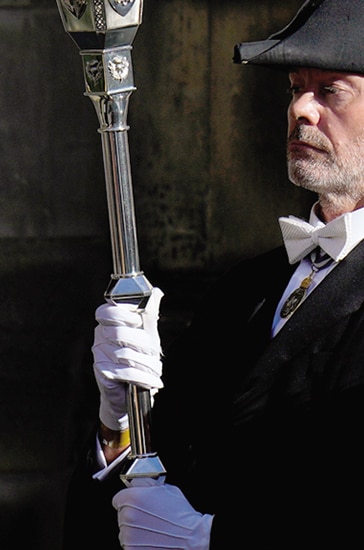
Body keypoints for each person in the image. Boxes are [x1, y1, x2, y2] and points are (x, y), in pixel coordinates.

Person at [63, 1, 364, 548]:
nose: (301, 108)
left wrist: (213, 541)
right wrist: (118, 427)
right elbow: (143, 496)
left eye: (331, 90)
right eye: (296, 87)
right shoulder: (246, 288)